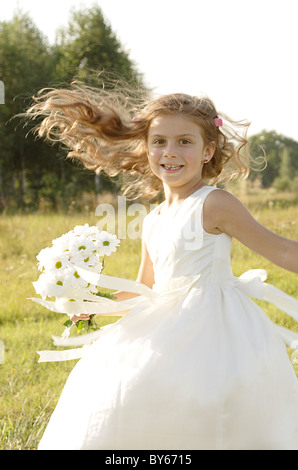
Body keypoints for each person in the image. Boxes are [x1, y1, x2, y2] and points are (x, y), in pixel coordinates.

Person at [25, 81, 298, 450]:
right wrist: (90, 304)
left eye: (185, 141)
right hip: (161, 328)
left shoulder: (213, 203)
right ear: (147, 147)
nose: (170, 151)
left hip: (215, 328)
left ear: (207, 151)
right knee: (122, 391)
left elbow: (281, 251)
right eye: (159, 141)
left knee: (209, 408)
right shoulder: (153, 218)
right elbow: (143, 289)